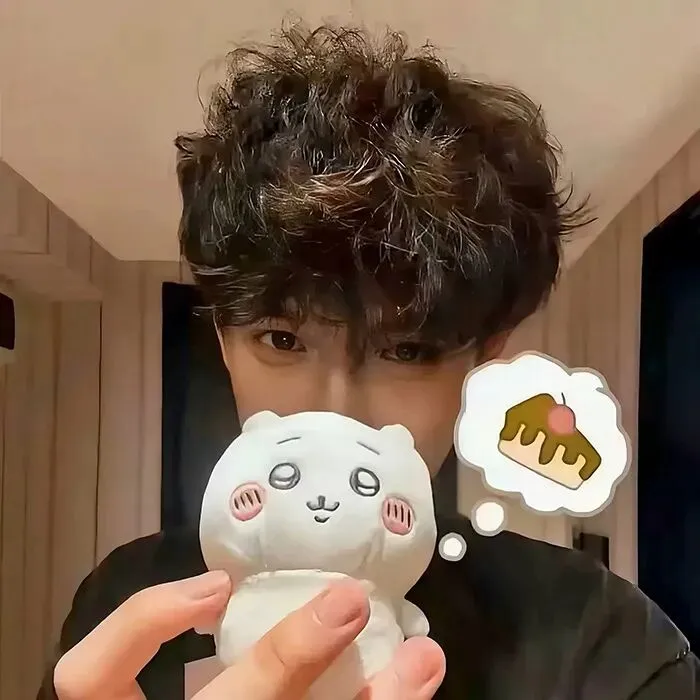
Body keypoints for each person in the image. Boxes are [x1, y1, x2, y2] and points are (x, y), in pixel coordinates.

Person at [42, 23, 697, 700]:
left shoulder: (608, 648)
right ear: (224, 341)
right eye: (281, 340)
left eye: (406, 351)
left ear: (484, 358)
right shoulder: (123, 609)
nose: (335, 415)